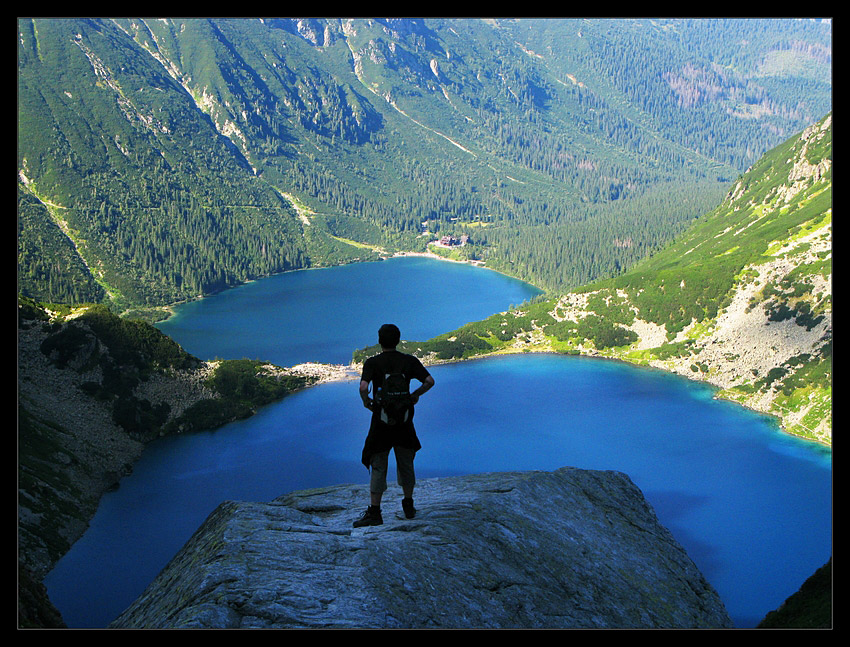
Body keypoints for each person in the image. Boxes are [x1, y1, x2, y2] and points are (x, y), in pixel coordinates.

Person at [354, 323, 434, 527]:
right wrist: (414, 395)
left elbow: (363, 387)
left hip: (381, 420)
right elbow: (429, 381)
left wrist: (367, 402)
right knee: (406, 462)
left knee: (379, 463)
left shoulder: (372, 362)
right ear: (398, 340)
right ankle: (408, 505)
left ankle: (375, 512)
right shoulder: (408, 361)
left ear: (380, 341)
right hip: (404, 420)